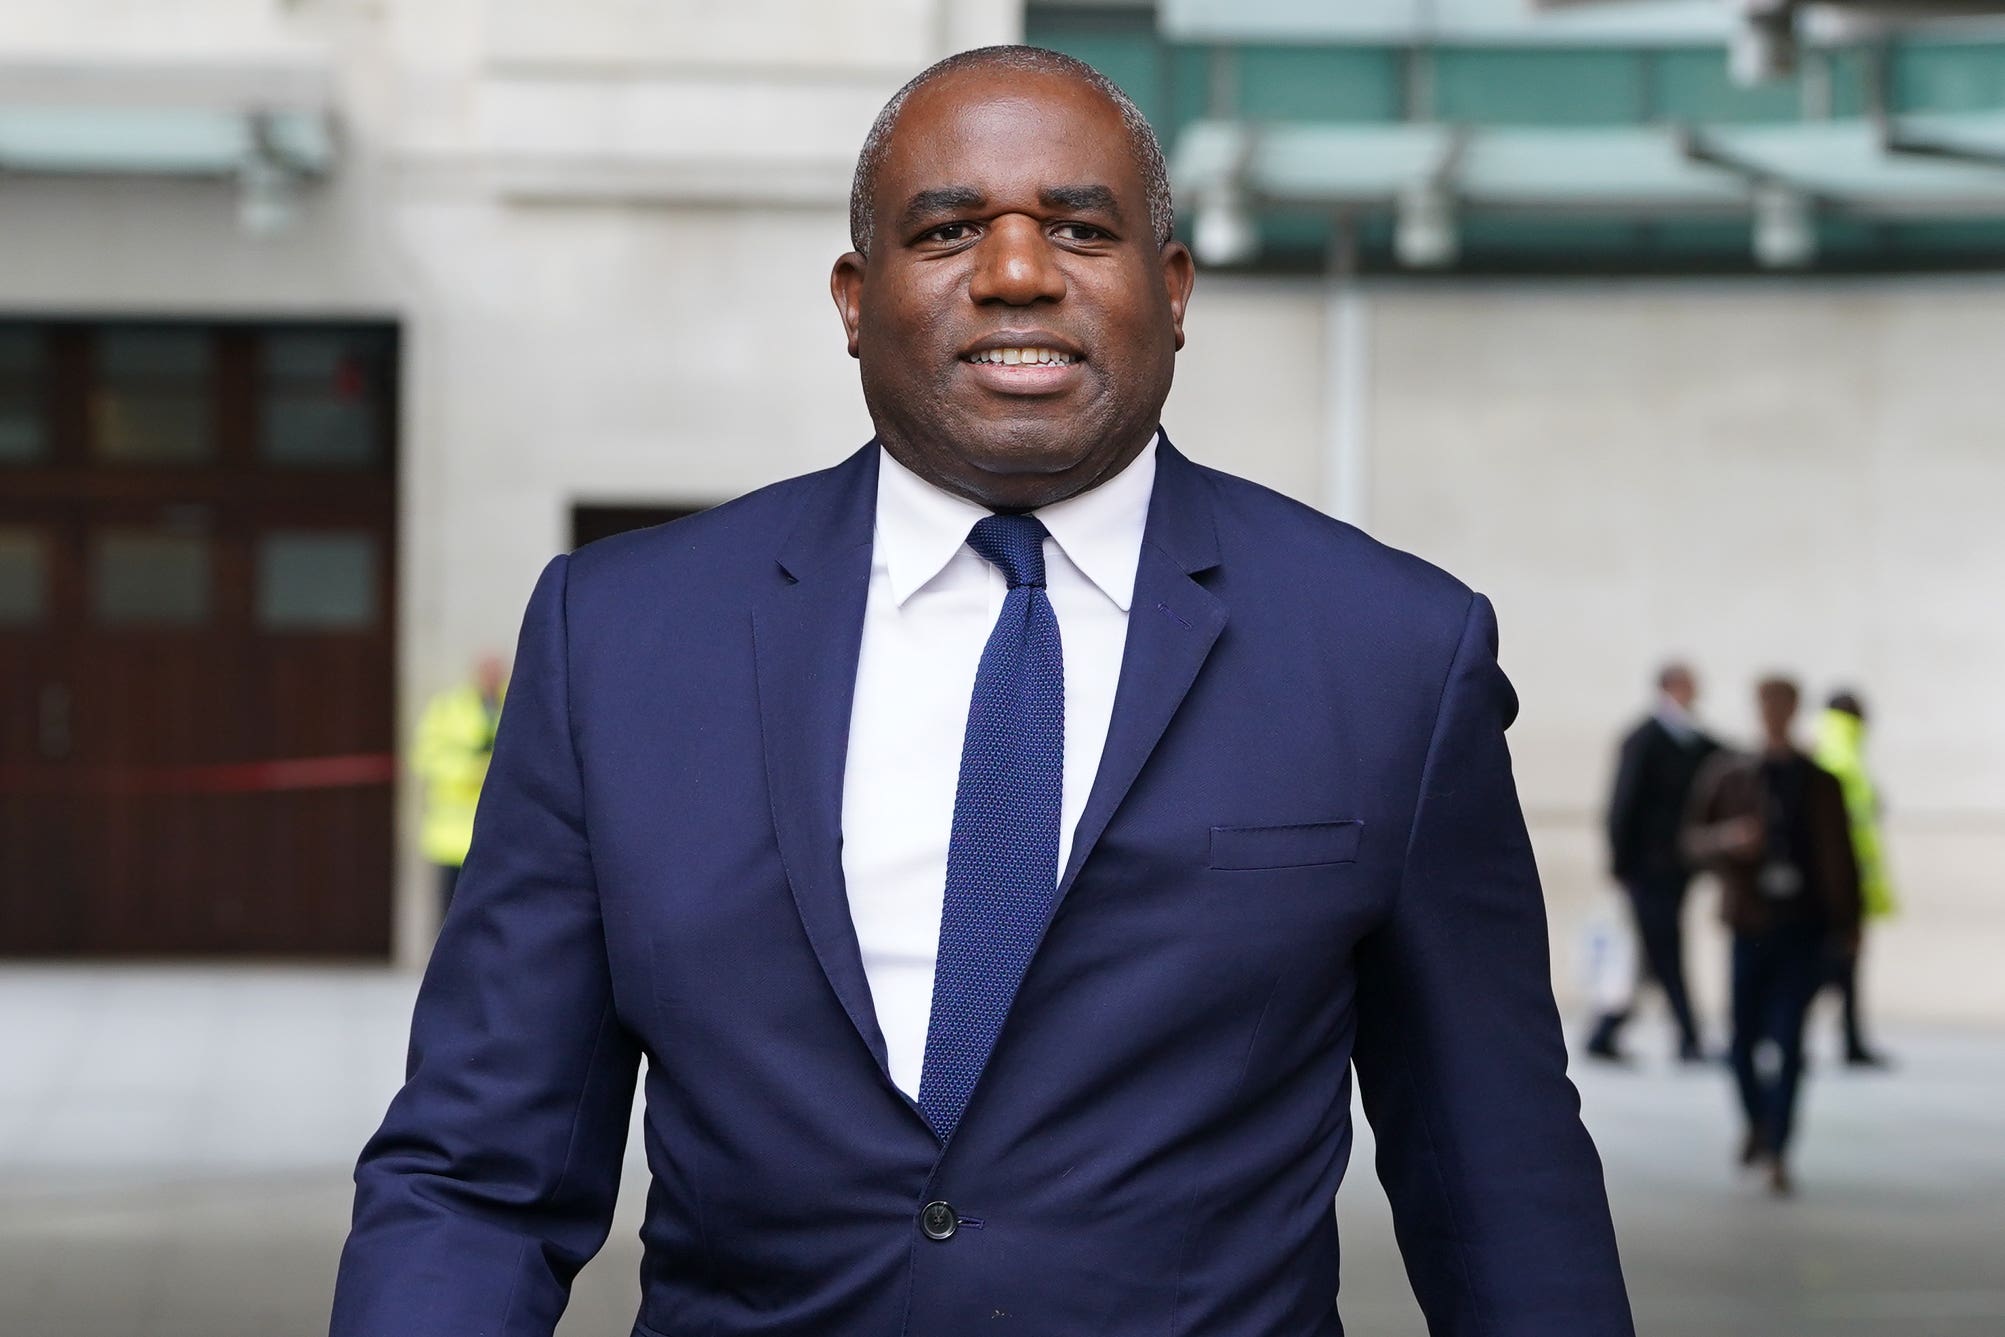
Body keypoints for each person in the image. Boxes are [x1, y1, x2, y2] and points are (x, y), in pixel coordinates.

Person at [332, 46, 1633, 1335]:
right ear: (855, 297)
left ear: (1172, 289)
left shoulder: (1389, 652)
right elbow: (476, 1174)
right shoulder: (619, 641)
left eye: (1079, 228)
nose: (1016, 276)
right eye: (950, 230)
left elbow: (1497, 1178)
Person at [1685, 677, 1862, 1197]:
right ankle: (1758, 1122)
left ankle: (1779, 1148)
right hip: (1750, 924)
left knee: (1789, 1040)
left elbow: (1843, 858)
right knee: (1742, 1041)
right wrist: (1729, 840)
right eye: (1768, 704)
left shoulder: (1820, 781)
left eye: (1784, 704)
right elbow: (1692, 839)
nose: (1775, 713)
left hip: (1803, 928)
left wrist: (1850, 925)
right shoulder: (1732, 772)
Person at [1587, 662, 1720, 1063]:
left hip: (1676, 869)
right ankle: (1689, 1036)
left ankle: (1606, 1032)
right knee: (1664, 951)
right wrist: (1620, 862)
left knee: (1653, 952)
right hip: (1647, 869)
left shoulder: (1695, 743)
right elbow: (1622, 804)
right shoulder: (1644, 739)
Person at [1814, 690, 1897, 1067]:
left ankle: (1851, 1038)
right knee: (1834, 964)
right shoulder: (1842, 757)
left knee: (1842, 968)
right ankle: (1846, 1039)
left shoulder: (1837, 752)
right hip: (1843, 884)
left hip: (1842, 882)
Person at [409, 652, 505, 918]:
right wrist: (473, 770)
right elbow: (426, 757)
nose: (492, 678)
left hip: (497, 833)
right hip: (452, 834)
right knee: (450, 912)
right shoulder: (449, 707)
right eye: (488, 671)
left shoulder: (513, 705)